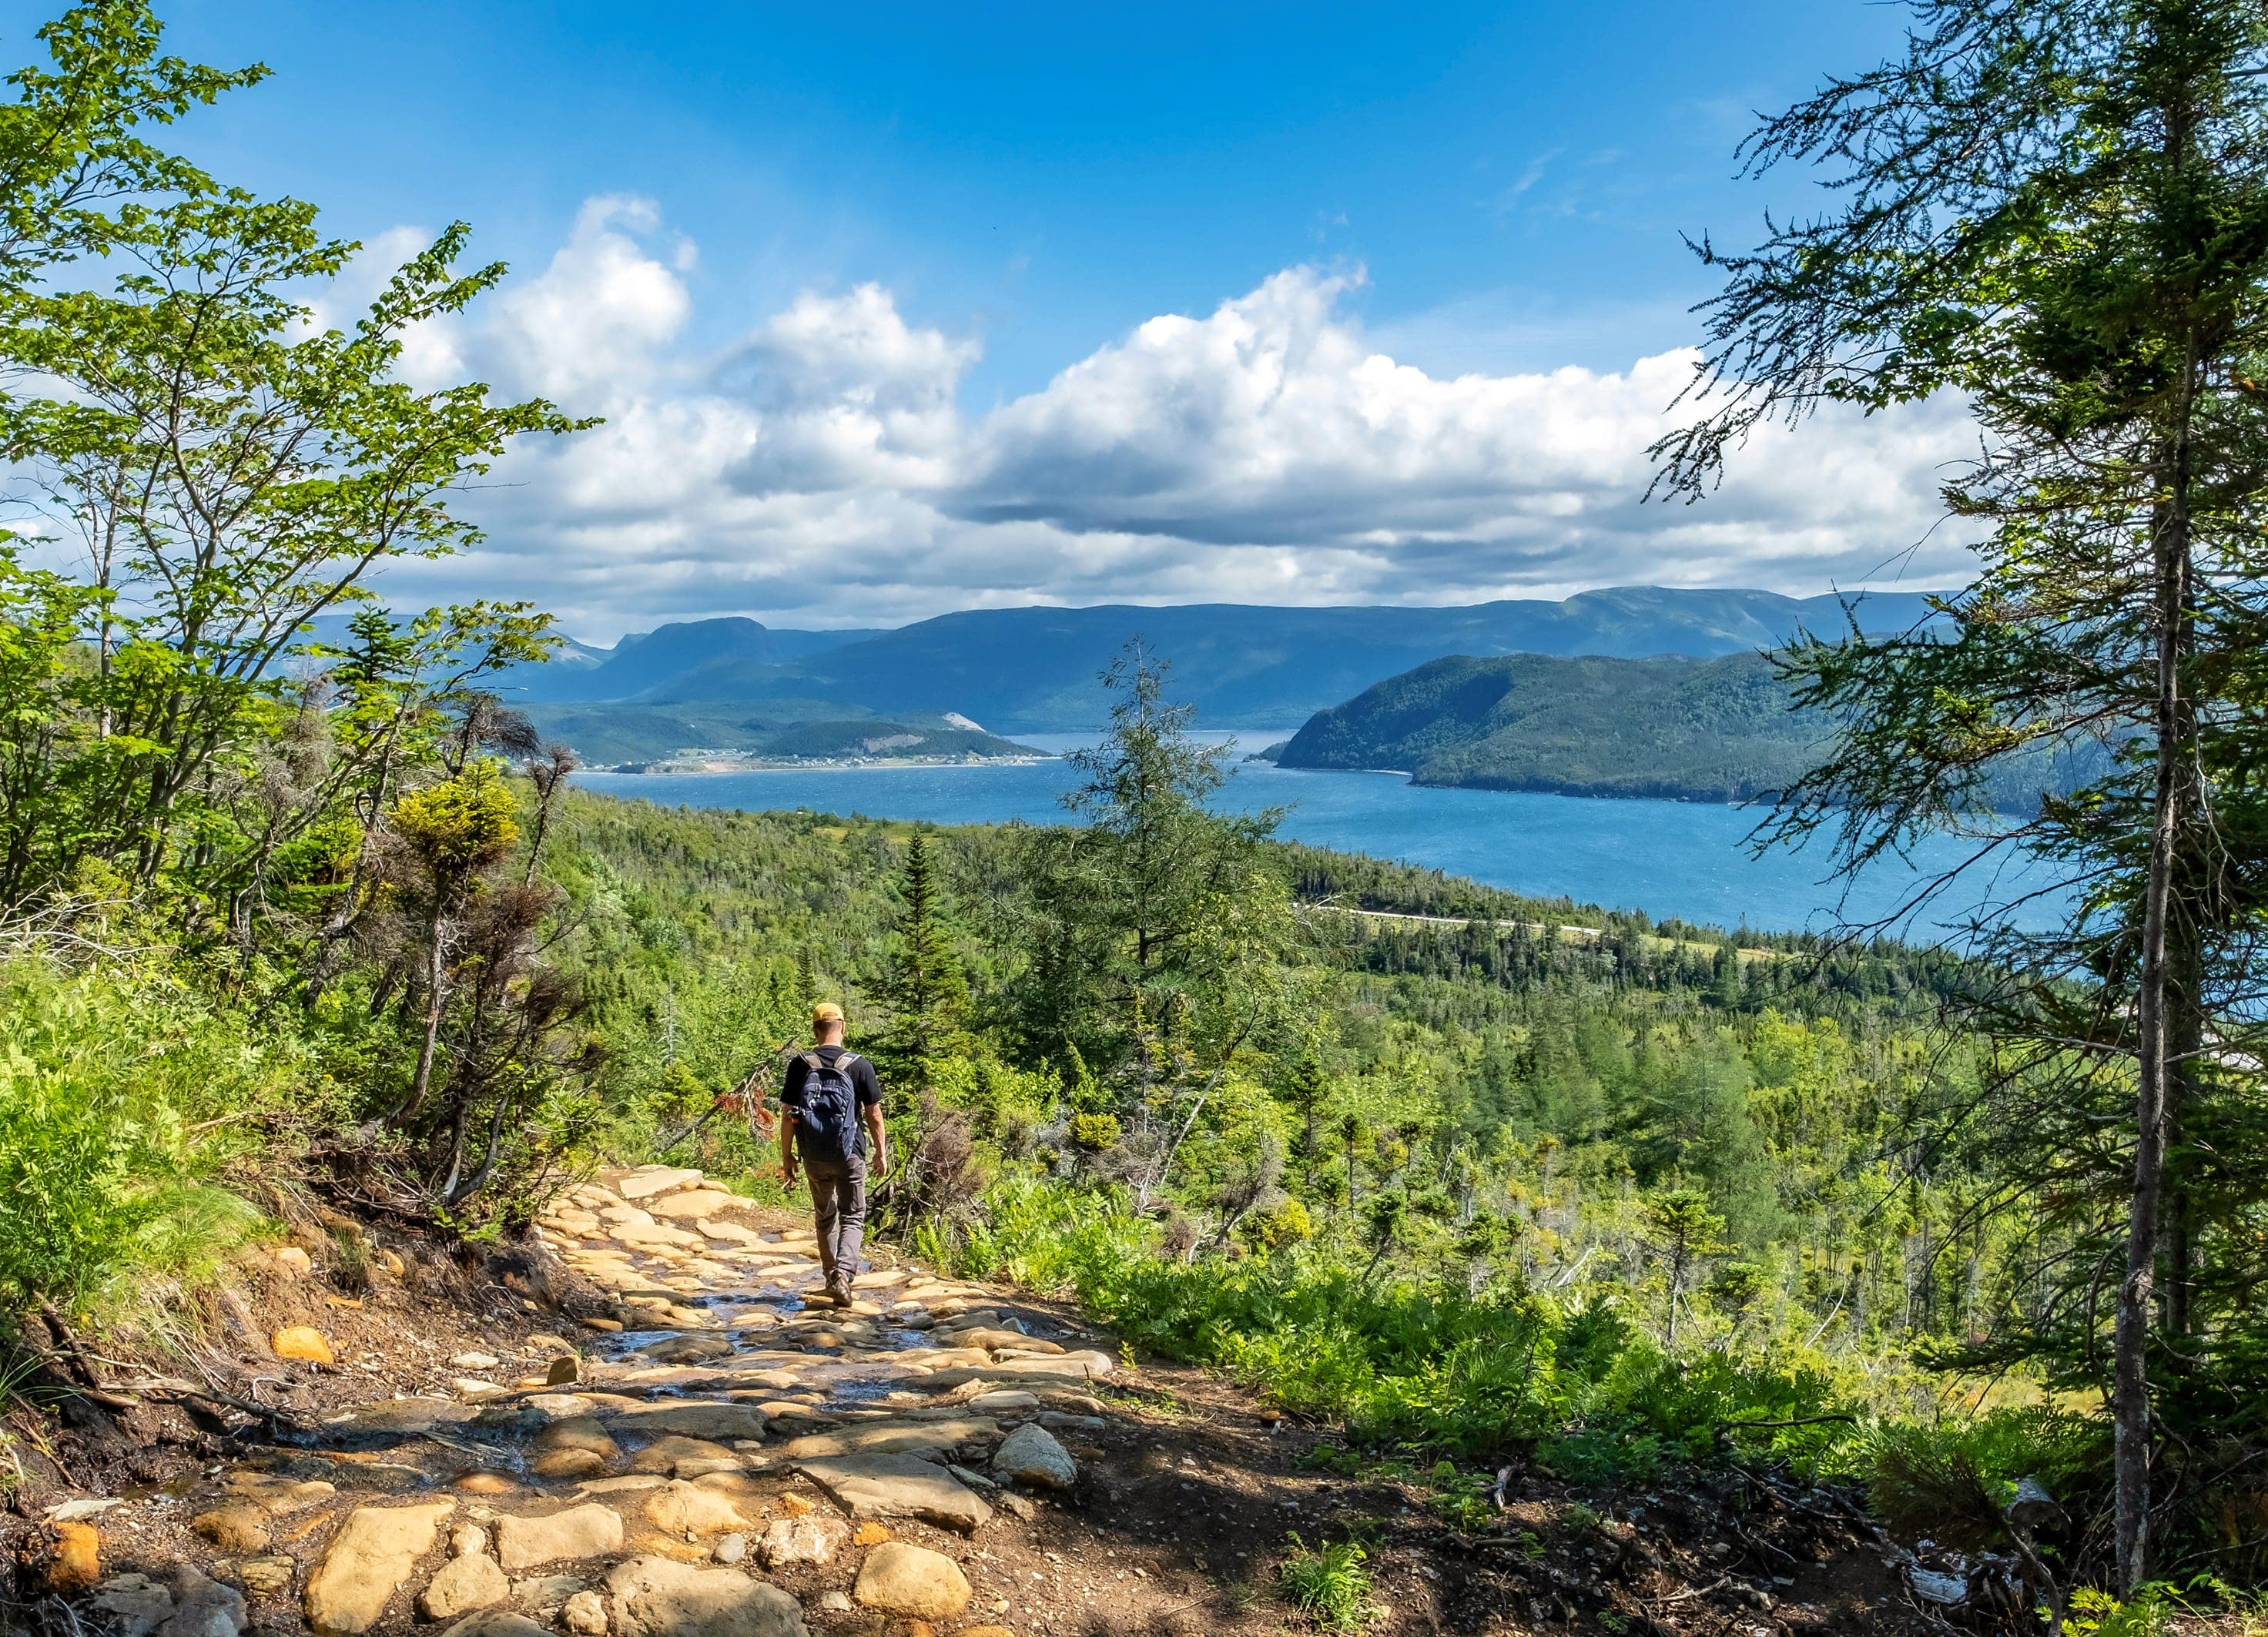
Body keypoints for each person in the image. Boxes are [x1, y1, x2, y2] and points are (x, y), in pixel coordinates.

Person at [778, 1001, 888, 1306]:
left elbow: (788, 1115)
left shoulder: (800, 1064)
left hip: (813, 1154)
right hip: (850, 1152)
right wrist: (880, 1152)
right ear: (843, 1027)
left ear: (815, 1030)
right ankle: (844, 1274)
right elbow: (874, 1115)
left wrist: (787, 1156)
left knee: (825, 1217)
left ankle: (831, 1277)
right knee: (853, 1214)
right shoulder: (859, 1065)